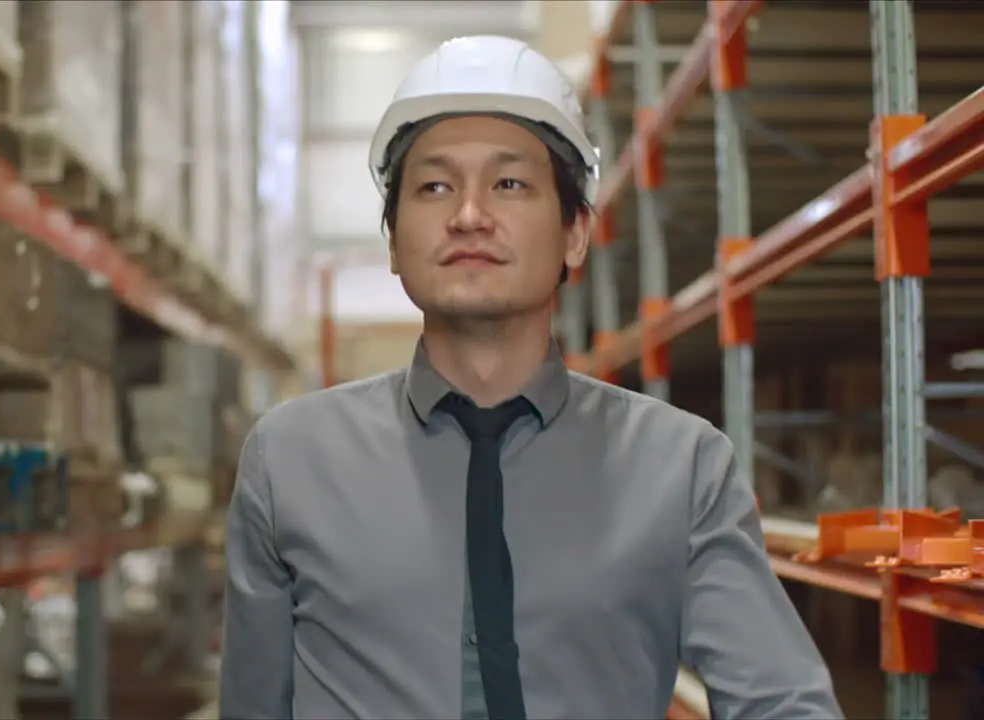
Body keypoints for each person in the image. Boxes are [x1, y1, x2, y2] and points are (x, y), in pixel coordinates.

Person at [218, 35, 841, 720]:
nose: (469, 215)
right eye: (434, 187)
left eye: (509, 183)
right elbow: (255, 703)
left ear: (575, 232)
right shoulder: (292, 459)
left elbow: (782, 701)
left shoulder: (680, 466)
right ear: (393, 241)